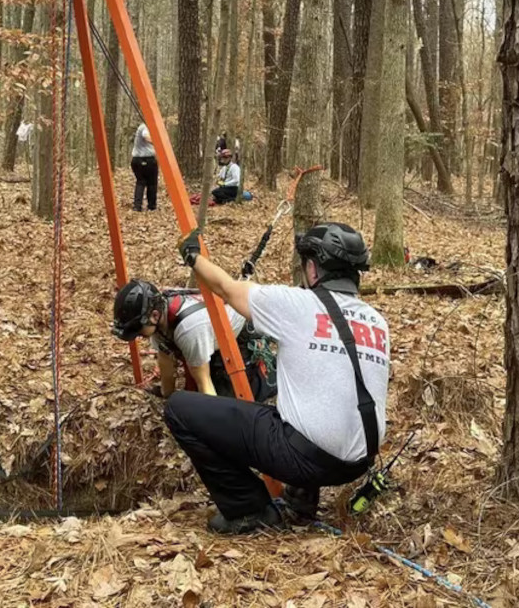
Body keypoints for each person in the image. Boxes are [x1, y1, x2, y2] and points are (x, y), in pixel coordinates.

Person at [165, 222, 389, 534]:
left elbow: (227, 289)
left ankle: (248, 508)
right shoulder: (378, 323)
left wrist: (192, 256)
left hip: (305, 457)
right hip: (359, 461)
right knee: (307, 400)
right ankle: (301, 496)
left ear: (313, 268)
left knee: (179, 407)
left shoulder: (296, 304)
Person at [111, 279, 274, 401]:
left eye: (138, 330)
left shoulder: (188, 329)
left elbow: (204, 381)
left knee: (228, 399)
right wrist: (166, 395)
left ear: (154, 316)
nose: (138, 335)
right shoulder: (160, 312)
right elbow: (165, 358)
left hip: (241, 331)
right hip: (208, 331)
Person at [130, 121, 158, 211]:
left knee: (143, 182)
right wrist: (157, 140)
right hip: (145, 160)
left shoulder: (145, 127)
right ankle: (150, 206)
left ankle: (139, 206)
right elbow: (146, 137)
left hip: (138, 160)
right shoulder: (144, 127)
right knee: (150, 183)